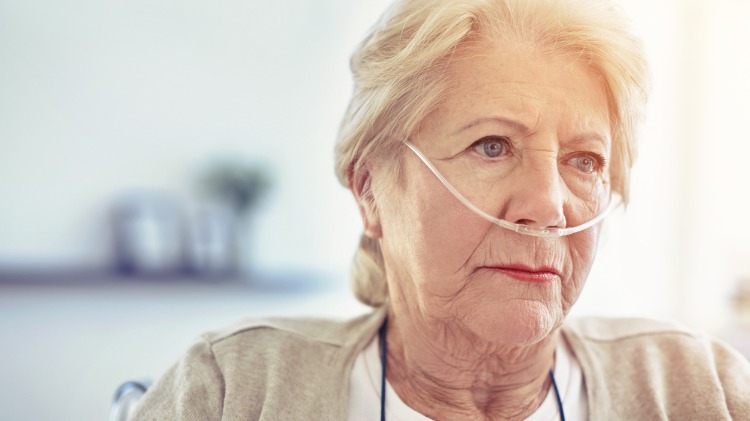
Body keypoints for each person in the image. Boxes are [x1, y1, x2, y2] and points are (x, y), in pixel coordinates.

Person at [132, 0, 750, 419]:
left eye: (584, 160)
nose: (548, 205)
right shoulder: (234, 390)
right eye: (492, 145)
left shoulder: (698, 388)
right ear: (371, 190)